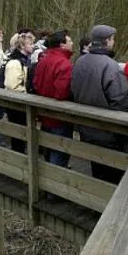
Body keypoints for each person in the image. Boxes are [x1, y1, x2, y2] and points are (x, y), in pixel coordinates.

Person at [72, 24, 128, 183]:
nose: (114, 42)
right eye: (112, 39)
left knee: (97, 171)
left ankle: (96, 204)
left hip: (86, 127)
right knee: (113, 176)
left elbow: (74, 91)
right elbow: (121, 101)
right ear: (107, 41)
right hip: (108, 131)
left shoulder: (79, 62)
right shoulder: (111, 66)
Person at [33, 31, 74, 172]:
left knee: (48, 150)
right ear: (62, 45)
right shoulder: (64, 64)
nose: (72, 43)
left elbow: (36, 84)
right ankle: (53, 193)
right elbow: (61, 93)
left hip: (44, 114)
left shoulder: (43, 60)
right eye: (70, 41)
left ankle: (46, 188)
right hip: (59, 117)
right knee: (59, 152)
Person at [4, 32, 35, 153]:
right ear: (22, 46)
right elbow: (12, 86)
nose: (33, 46)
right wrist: (27, 93)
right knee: (18, 134)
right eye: (31, 43)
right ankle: (18, 156)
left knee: (22, 133)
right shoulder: (14, 63)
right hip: (16, 105)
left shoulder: (24, 61)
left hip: (22, 103)